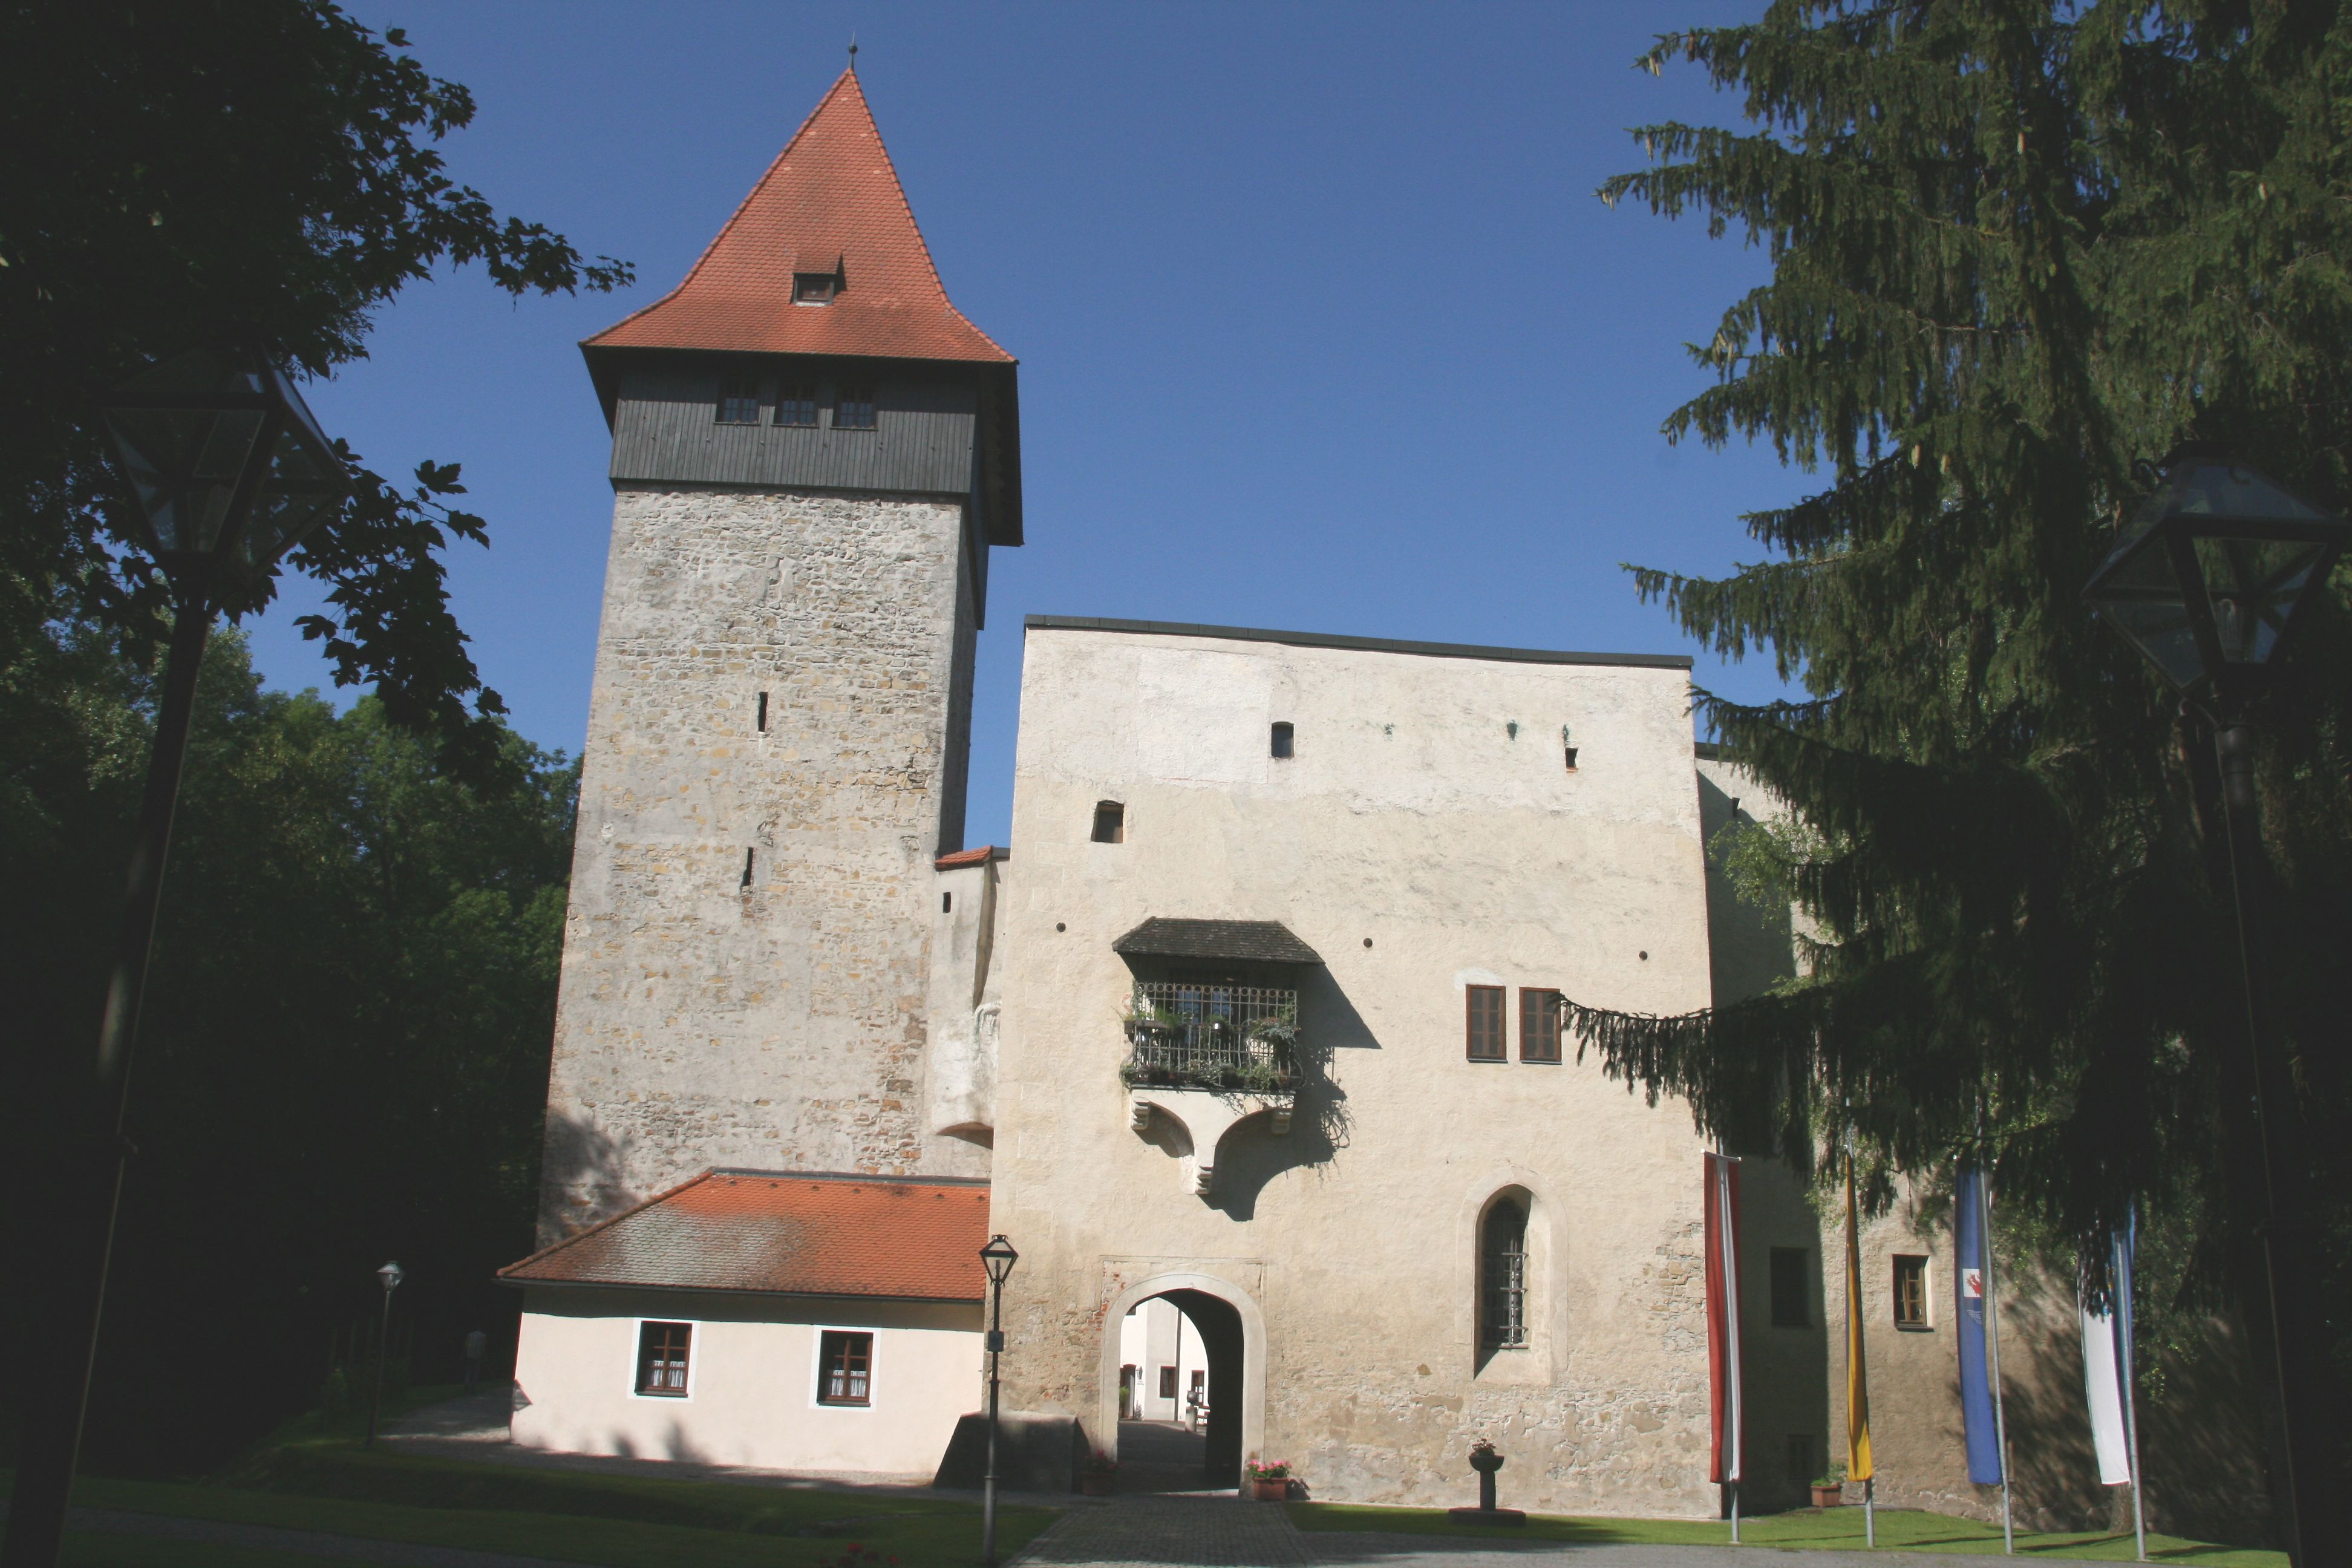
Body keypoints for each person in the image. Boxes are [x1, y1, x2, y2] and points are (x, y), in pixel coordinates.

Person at [464, 1328, 486, 1393]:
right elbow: (483, 1346)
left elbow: (466, 1345)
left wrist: (464, 1353)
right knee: (476, 1370)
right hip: (478, 1354)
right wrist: (484, 1355)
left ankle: (467, 1382)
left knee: (469, 1370)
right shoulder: (483, 1336)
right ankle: (473, 1385)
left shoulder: (470, 1335)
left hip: (470, 1354)